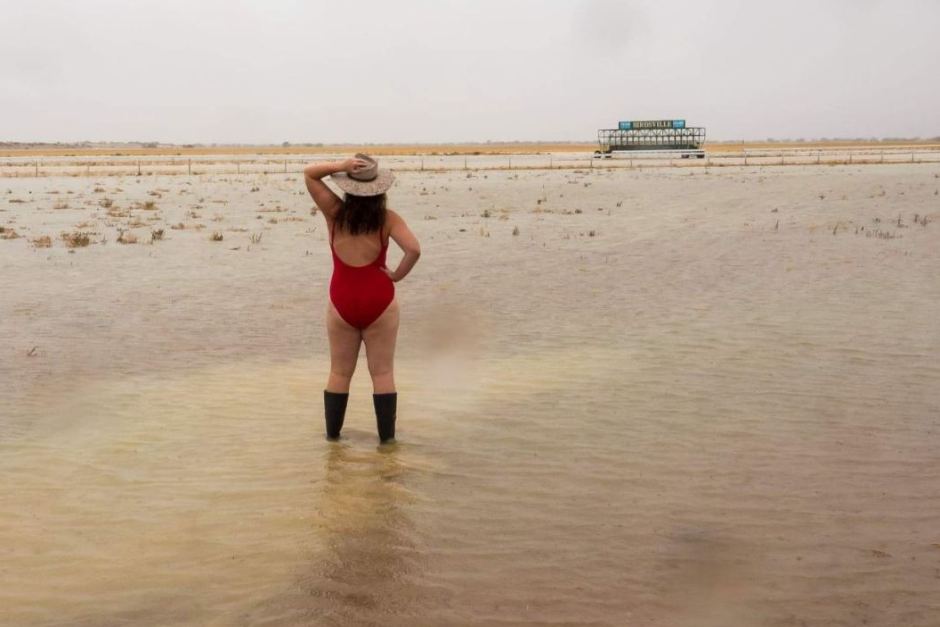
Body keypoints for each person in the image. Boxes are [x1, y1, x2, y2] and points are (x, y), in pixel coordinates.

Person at [303, 154, 420, 443]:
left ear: (348, 187)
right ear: (380, 190)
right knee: (382, 373)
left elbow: (309, 174)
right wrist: (396, 276)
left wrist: (340, 167)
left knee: (339, 373)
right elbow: (414, 250)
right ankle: (387, 445)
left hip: (342, 300)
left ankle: (333, 441)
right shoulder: (388, 219)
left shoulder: (334, 213)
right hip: (379, 301)